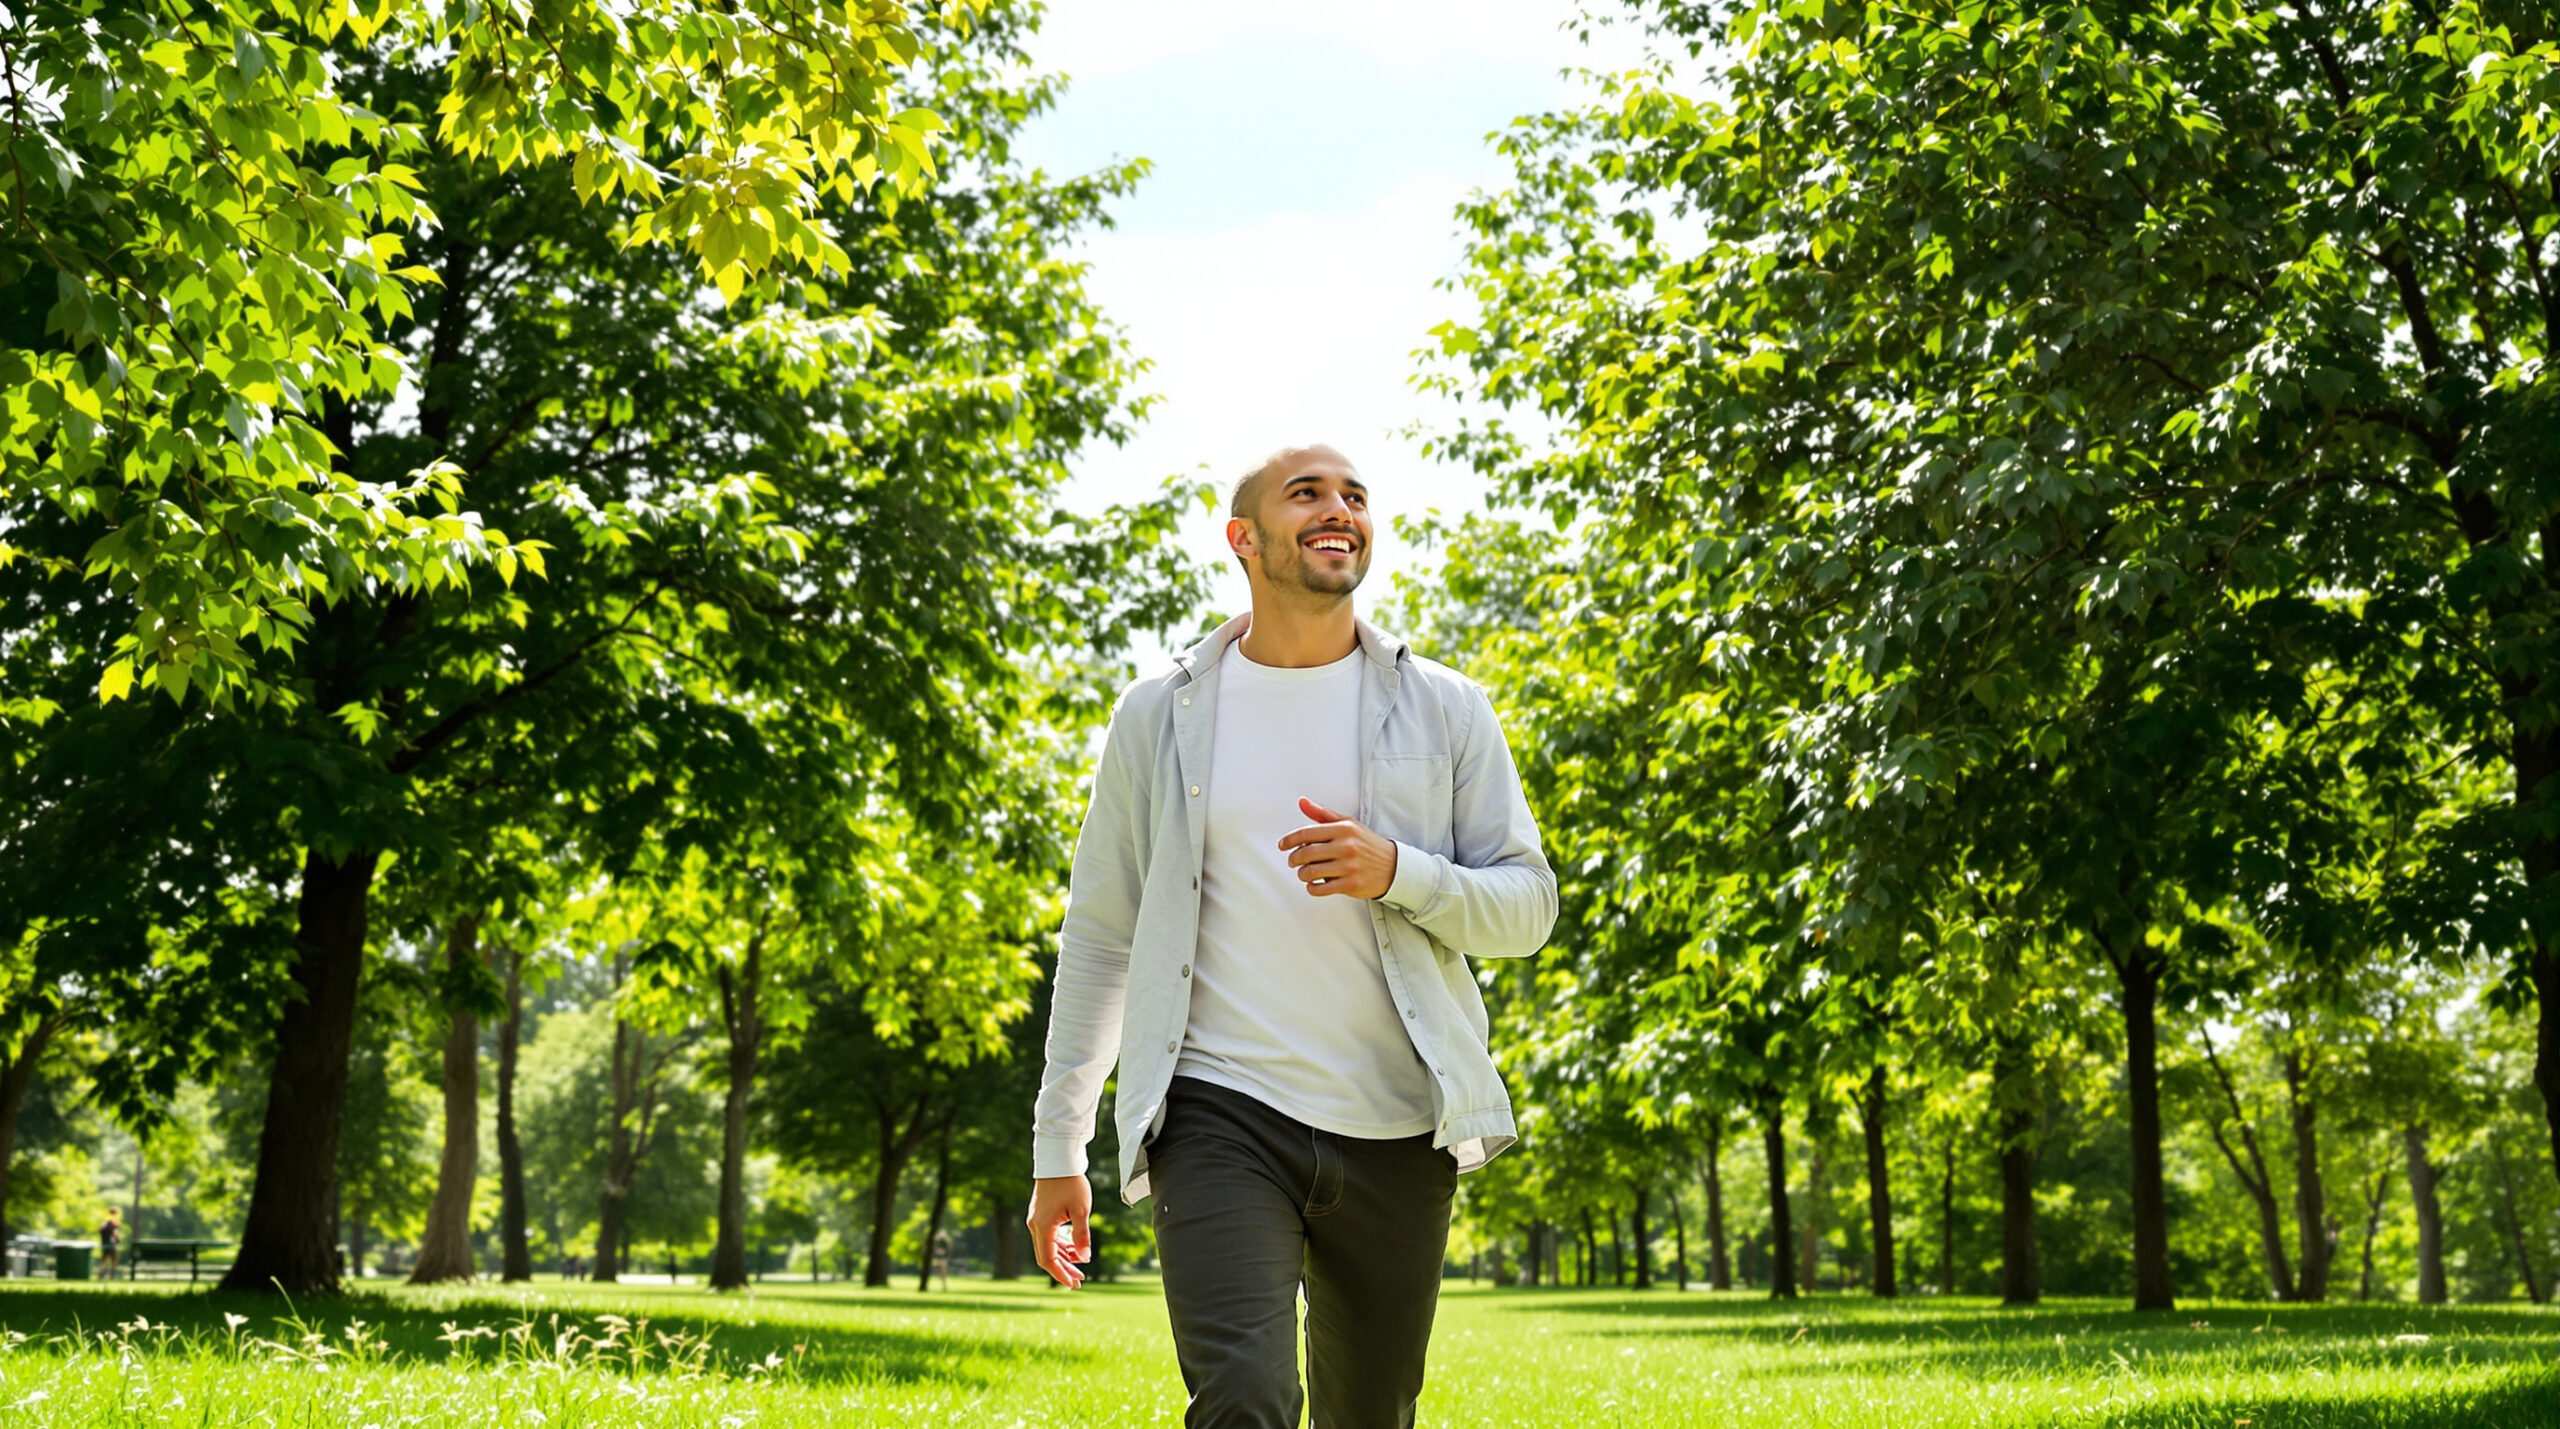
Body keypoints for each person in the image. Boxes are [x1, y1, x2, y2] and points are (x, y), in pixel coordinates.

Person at [1027, 444, 1557, 1426]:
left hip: (1399, 1123)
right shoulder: (1156, 716)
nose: (1338, 510)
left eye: (1354, 495)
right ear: (1243, 537)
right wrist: (1058, 1143)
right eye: (1306, 493)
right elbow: (1103, 936)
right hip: (1219, 1112)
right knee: (1245, 1400)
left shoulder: (1446, 708)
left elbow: (1527, 907)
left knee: (1370, 1414)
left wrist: (1397, 872)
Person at [98, 1207, 122, 1280]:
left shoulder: (104, 1222)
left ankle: (101, 1275)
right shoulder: (115, 1222)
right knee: (114, 1260)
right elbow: (116, 1234)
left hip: (105, 1244)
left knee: (104, 1260)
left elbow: (100, 1231)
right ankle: (111, 1276)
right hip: (112, 1244)